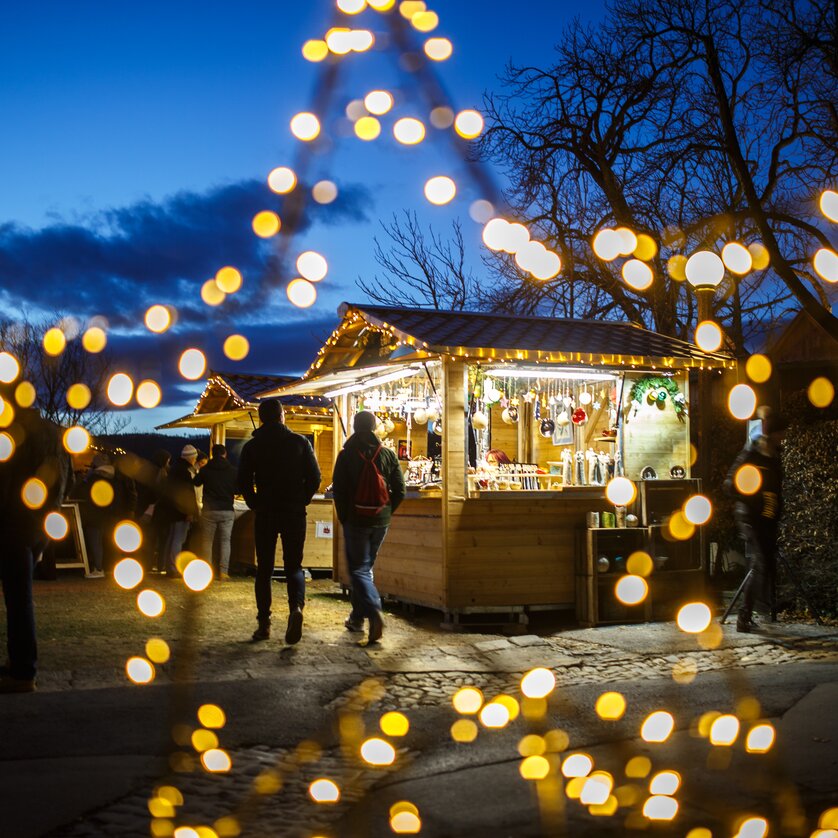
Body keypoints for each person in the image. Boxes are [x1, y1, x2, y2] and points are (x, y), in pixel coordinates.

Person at [0, 399, 70, 693]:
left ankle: (23, 671)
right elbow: (68, 481)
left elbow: (3, 484)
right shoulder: (55, 433)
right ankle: (22, 667)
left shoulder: (12, 434)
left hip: (9, 523)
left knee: (18, 601)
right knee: (20, 599)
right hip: (37, 525)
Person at [238, 399, 320, 644]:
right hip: (294, 512)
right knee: (294, 566)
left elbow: (242, 481)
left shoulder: (252, 447)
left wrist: (254, 503)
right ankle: (296, 609)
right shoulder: (300, 442)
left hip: (265, 513)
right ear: (282, 416)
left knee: (264, 569)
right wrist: (302, 498)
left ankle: (264, 624)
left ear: (262, 418)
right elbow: (315, 477)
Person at [331, 410, 406, 645]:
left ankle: (373, 611)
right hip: (380, 521)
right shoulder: (388, 455)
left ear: (354, 427)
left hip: (356, 520)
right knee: (365, 569)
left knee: (359, 570)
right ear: (374, 428)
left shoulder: (346, 455)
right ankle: (357, 618)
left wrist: (345, 517)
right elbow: (400, 490)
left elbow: (339, 491)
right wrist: (386, 513)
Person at [724, 406, 785, 633]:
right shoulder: (752, 454)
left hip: (768, 519)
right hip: (751, 517)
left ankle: (753, 612)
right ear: (773, 434)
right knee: (761, 564)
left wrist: (776, 511)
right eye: (781, 433)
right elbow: (730, 484)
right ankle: (744, 616)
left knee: (766, 566)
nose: (784, 438)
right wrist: (754, 499)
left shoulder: (774, 456)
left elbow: (777, 489)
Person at [194, 444, 237, 581]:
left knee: (207, 541)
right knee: (225, 541)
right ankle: (223, 572)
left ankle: (207, 572)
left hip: (209, 510)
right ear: (225, 454)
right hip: (227, 510)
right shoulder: (232, 470)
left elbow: (195, 482)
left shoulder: (206, 469)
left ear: (212, 454)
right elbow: (237, 489)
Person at [158, 444, 200, 578]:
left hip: (171, 510)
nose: (195, 460)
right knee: (179, 539)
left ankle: (168, 566)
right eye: (194, 458)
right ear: (191, 458)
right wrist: (190, 511)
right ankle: (174, 567)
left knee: (172, 538)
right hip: (181, 511)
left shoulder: (174, 469)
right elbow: (188, 493)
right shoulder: (184, 472)